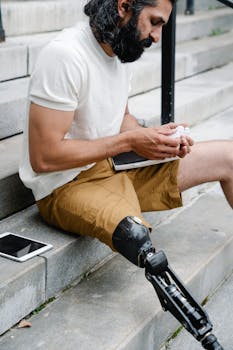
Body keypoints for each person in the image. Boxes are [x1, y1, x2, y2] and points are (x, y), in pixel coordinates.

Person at [19, 0, 233, 269]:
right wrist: (130, 141)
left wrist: (155, 139)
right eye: (154, 22)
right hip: (65, 184)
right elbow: (44, 158)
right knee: (135, 236)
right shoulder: (65, 55)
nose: (157, 36)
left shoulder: (120, 50)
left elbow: (122, 118)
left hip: (114, 165)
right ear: (123, 7)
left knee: (229, 156)